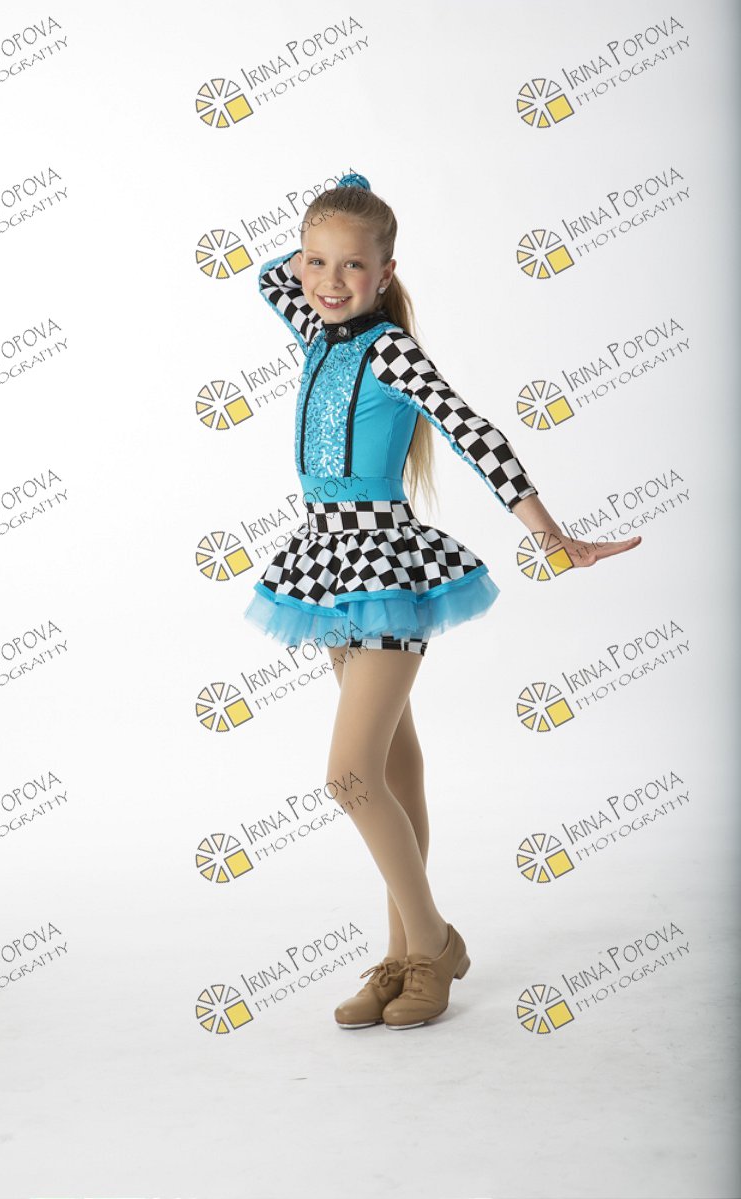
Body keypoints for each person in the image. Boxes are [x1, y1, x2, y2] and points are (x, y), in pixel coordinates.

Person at [242, 172, 641, 1030]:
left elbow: (474, 434)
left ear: (387, 273)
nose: (328, 280)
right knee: (391, 766)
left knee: (349, 776)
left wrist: (553, 535)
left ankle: (433, 941)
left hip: (386, 563)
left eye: (354, 266)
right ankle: (400, 956)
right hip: (326, 562)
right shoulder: (313, 328)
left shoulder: (389, 349)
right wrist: (338, 218)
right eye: (318, 261)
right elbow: (269, 275)